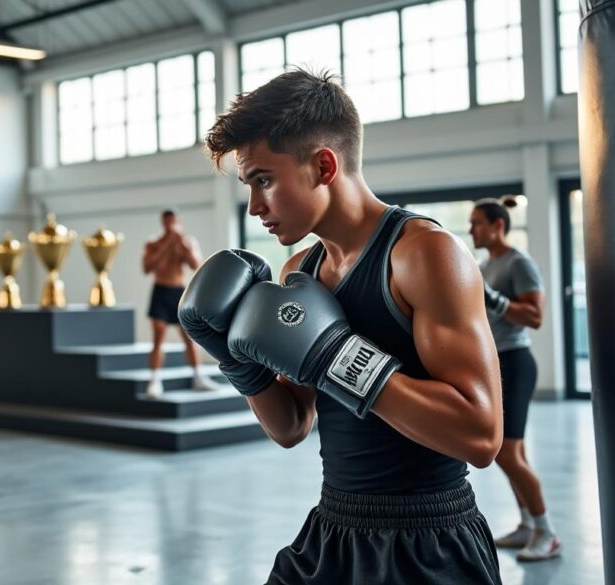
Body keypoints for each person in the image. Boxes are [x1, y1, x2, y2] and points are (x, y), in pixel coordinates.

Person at [181, 69, 504, 583]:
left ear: (323, 165)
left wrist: (337, 357)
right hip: (333, 529)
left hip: (430, 542)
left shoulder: (423, 254)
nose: (254, 207)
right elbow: (291, 426)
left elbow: (481, 436)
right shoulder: (299, 272)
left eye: (264, 179)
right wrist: (234, 358)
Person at [470, 197, 561, 562]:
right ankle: (527, 523)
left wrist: (494, 300)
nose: (473, 229)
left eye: (477, 222)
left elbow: (535, 316)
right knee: (513, 453)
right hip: (495, 362)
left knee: (506, 452)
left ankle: (547, 532)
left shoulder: (518, 263)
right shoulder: (483, 266)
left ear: (497, 225)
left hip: (516, 361)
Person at [141, 209, 217, 397]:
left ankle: (198, 376)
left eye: (173, 222)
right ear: (163, 222)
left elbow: (195, 265)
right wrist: (167, 245)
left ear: (177, 221)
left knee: (189, 336)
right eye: (167, 222)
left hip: (178, 291)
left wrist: (181, 244)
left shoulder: (186, 242)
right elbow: (147, 267)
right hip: (160, 290)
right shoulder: (154, 244)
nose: (170, 225)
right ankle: (155, 380)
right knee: (158, 336)